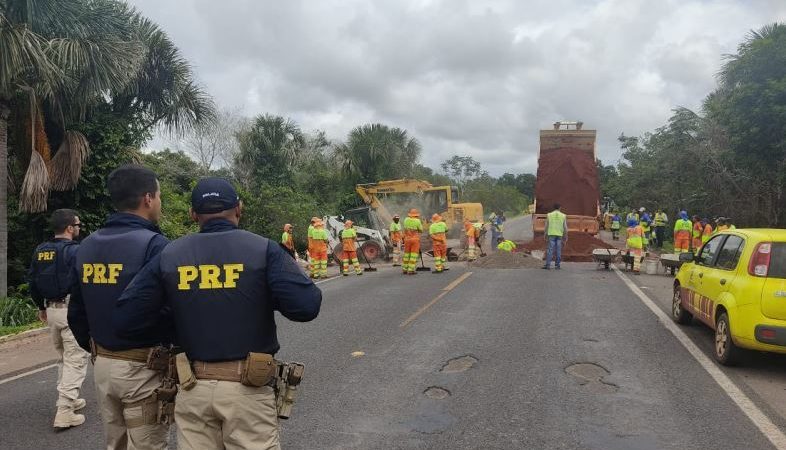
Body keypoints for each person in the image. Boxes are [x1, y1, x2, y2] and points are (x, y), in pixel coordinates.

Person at [114, 177, 322, 450]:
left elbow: (128, 318)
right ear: (239, 208)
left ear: (192, 214)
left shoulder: (170, 254)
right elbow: (306, 307)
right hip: (248, 390)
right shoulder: (264, 249)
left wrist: (176, 313)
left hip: (192, 389)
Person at [67, 164, 171, 450]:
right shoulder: (155, 245)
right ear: (148, 198)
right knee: (148, 444)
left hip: (102, 363)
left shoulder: (86, 245)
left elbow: (76, 312)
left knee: (116, 444)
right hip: (143, 366)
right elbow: (169, 308)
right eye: (159, 196)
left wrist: (100, 350)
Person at [28, 209, 89, 429]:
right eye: (78, 225)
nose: (80, 229)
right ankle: (64, 411)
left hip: (51, 310)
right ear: (70, 228)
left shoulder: (41, 251)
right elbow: (84, 283)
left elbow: (33, 282)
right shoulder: (76, 251)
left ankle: (68, 399)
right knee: (76, 359)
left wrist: (40, 307)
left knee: (63, 357)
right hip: (70, 310)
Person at [542, 203, 568, 270]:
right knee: (558, 250)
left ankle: (548, 265)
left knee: (550, 250)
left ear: (553, 208)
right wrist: (566, 236)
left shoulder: (549, 215)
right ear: (560, 208)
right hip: (559, 235)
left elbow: (546, 226)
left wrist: (545, 234)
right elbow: (565, 227)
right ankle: (557, 265)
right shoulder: (563, 215)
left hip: (551, 234)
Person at [402, 209, 423, 275]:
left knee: (406, 254)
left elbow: (404, 228)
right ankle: (410, 270)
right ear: (416, 215)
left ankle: (405, 269)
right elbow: (421, 230)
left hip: (407, 240)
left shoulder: (405, 220)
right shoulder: (417, 221)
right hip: (414, 240)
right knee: (413, 255)